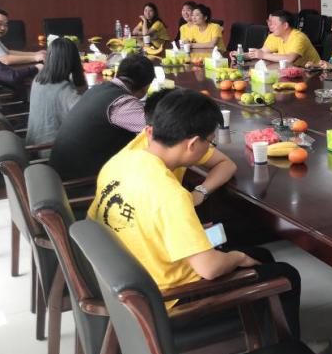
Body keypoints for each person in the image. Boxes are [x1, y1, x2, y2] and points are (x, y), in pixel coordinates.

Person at [87, 89, 304, 337]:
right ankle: (288, 349)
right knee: (286, 275)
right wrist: (237, 258)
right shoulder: (169, 193)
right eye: (210, 141)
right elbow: (209, 269)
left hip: (128, 284)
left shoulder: (121, 161)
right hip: (167, 303)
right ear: (192, 145)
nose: (210, 147)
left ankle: (267, 335)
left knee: (261, 256)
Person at [49, 53, 155, 180]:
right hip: (80, 183)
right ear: (146, 87)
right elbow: (159, 131)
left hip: (58, 176)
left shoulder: (97, 89)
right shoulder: (122, 104)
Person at [26, 37, 85, 153]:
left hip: (35, 146)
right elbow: (86, 116)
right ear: (74, 61)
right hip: (52, 150)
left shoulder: (38, 80)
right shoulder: (64, 90)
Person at [241, 10, 320, 66]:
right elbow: (260, 52)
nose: (270, 26)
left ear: (285, 25)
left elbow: (290, 59)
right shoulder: (274, 36)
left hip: (313, 73)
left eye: (274, 24)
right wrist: (240, 56)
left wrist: (263, 55)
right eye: (270, 23)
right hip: (291, 71)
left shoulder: (299, 37)